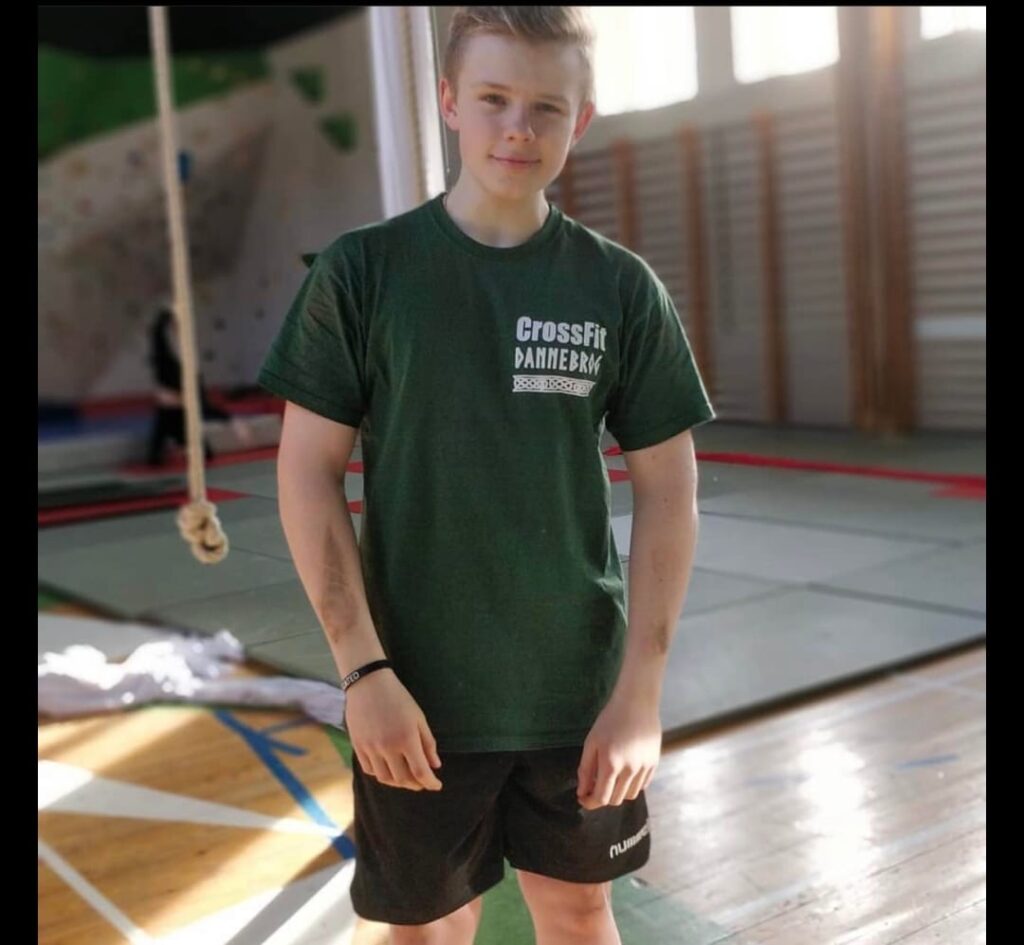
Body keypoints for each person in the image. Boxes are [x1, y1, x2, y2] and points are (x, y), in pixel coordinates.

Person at [258, 7, 715, 943]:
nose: (519, 127)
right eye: (495, 99)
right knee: (425, 926)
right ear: (449, 104)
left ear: (580, 121)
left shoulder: (620, 289)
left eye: (548, 107)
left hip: (577, 691)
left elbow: (670, 491)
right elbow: (307, 475)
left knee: (581, 906)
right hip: (417, 691)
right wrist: (363, 670)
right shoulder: (363, 274)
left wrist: (641, 693)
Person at [145, 306, 247, 466]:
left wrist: (233, 422)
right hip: (170, 408)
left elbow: (206, 408)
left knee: (203, 450)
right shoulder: (166, 357)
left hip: (179, 409)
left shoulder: (184, 365)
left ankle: (178, 445)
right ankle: (176, 445)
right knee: (157, 453)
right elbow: (160, 342)